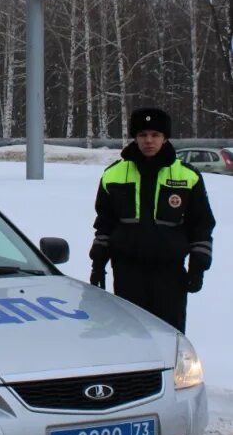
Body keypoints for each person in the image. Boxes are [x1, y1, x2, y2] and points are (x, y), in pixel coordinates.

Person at [89, 106, 214, 332]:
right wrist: (98, 264)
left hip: (170, 274)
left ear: (165, 138)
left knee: (168, 336)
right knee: (131, 336)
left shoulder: (187, 176)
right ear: (135, 138)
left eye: (155, 135)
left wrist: (198, 267)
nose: (149, 141)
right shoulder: (113, 175)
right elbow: (104, 225)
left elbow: (201, 225)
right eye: (143, 135)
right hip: (127, 272)